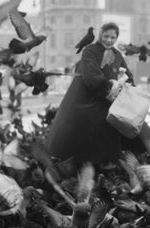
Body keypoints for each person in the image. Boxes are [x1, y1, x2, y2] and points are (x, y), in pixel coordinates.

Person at [45, 22, 135, 165]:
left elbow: (129, 76)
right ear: (100, 35)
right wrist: (108, 87)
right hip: (88, 100)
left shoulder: (118, 55)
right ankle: (83, 166)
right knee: (83, 142)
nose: (109, 40)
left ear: (116, 38)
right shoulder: (90, 51)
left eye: (113, 37)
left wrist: (127, 85)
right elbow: (91, 74)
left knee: (110, 138)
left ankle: (107, 165)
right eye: (106, 36)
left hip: (109, 104)